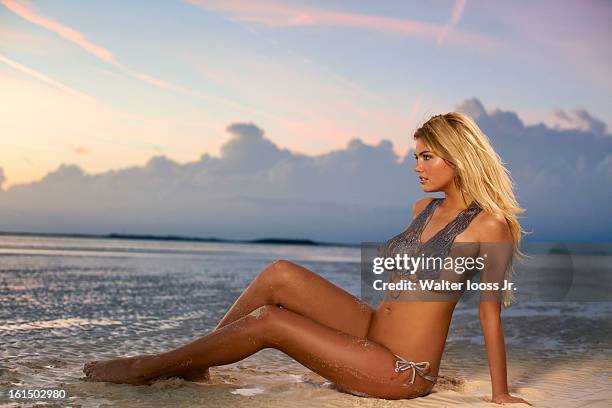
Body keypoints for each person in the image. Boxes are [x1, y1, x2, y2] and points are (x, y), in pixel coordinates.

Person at [83, 112, 531, 404]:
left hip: (401, 369)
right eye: (415, 156)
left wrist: (501, 395)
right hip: (374, 329)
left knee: (269, 322)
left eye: (427, 156)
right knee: (279, 274)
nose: (417, 166)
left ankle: (147, 367)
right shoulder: (422, 209)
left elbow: (489, 314)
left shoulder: (490, 226)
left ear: (459, 155)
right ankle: (197, 362)